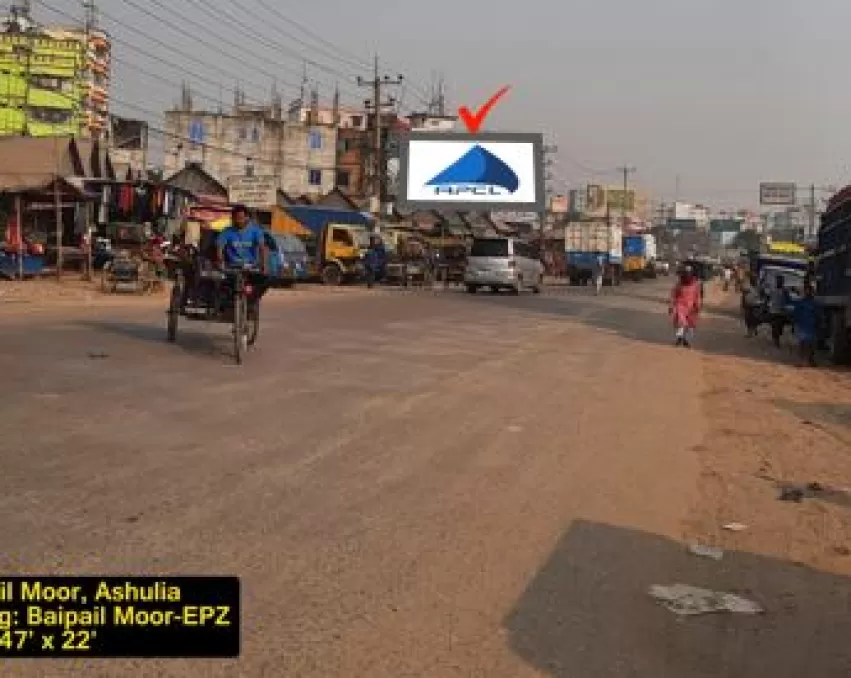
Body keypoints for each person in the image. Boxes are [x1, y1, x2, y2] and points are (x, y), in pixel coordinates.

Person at [216, 204, 266, 272]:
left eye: (241, 218)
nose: (239, 221)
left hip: (251, 266)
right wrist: (220, 261)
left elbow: (262, 248)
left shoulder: (256, 231)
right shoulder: (226, 231)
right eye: (236, 218)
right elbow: (219, 248)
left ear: (247, 217)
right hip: (233, 266)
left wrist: (262, 265)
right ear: (233, 218)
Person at [669, 265, 702, 347]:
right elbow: (673, 294)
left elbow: (697, 296)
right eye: (686, 273)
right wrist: (671, 305)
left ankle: (686, 340)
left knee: (691, 325)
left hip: (692, 307)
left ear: (692, 274)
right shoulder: (679, 284)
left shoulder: (696, 284)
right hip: (680, 306)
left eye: (689, 273)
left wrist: (698, 305)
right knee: (681, 323)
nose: (688, 275)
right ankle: (679, 338)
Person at [792, 282, 818, 366]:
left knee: (811, 345)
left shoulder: (814, 303)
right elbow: (796, 314)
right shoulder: (801, 303)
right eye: (807, 291)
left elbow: (818, 315)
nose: (808, 293)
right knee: (802, 344)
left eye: (810, 291)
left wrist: (818, 324)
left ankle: (810, 360)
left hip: (811, 325)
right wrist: (795, 324)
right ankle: (801, 361)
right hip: (802, 325)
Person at [768, 274, 789, 348]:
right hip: (773, 311)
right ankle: (776, 340)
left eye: (780, 281)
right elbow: (769, 298)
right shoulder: (772, 289)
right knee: (775, 326)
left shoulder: (785, 291)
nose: (779, 282)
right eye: (778, 280)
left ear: (782, 282)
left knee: (780, 327)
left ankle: (776, 338)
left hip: (781, 312)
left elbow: (788, 300)